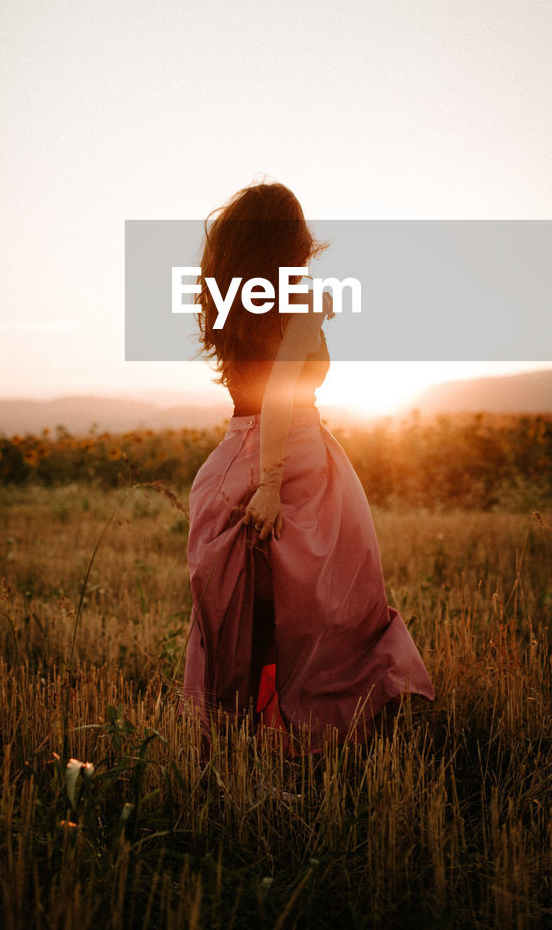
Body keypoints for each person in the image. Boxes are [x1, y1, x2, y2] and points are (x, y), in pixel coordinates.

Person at [182, 181, 434, 749]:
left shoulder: (235, 306)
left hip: (232, 460)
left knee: (243, 619)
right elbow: (279, 394)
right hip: (291, 456)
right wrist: (271, 485)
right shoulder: (302, 299)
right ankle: (316, 730)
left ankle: (242, 737)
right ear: (292, 242)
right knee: (338, 606)